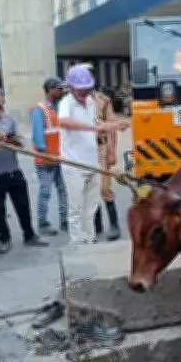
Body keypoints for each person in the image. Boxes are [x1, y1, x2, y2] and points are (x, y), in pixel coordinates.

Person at [0, 85, 48, 254]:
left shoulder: (9, 120)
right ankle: (5, 239)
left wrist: (9, 139)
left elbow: (20, 143)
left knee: (23, 205)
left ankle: (29, 235)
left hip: (14, 171)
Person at [57, 65, 127, 244]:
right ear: (71, 88)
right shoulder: (66, 103)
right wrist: (94, 128)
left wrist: (113, 126)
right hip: (73, 164)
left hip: (92, 161)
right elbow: (64, 122)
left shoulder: (91, 102)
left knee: (91, 206)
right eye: (80, 90)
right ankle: (78, 243)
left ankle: (89, 239)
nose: (84, 93)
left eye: (86, 89)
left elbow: (96, 127)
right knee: (76, 208)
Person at [30, 76, 68, 235]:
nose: (61, 90)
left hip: (60, 158)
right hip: (46, 160)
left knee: (63, 190)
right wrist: (47, 156)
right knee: (45, 192)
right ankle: (43, 222)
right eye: (58, 88)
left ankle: (65, 220)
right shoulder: (40, 109)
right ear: (50, 89)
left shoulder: (59, 107)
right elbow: (38, 137)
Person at [91, 80, 122, 242]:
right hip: (82, 151)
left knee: (104, 188)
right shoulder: (72, 102)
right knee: (90, 189)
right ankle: (96, 227)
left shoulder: (103, 100)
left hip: (100, 148)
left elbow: (112, 128)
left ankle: (114, 224)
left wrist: (112, 153)